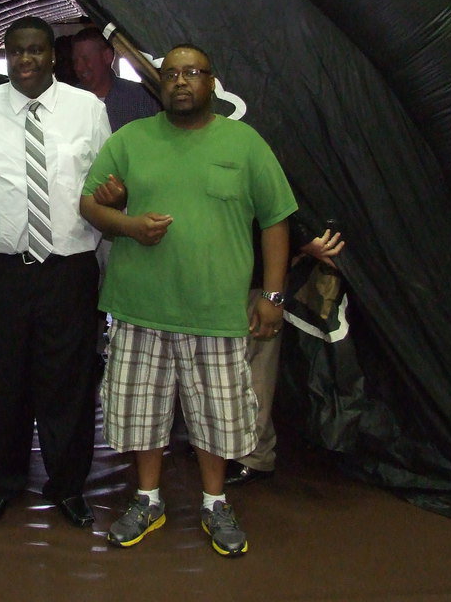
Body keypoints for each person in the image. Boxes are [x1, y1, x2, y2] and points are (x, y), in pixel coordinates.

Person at [79, 43, 296, 557]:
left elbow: (276, 218)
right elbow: (89, 203)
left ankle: (214, 503)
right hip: (140, 309)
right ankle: (148, 499)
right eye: (171, 73)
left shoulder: (244, 143)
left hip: (216, 313)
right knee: (140, 415)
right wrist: (128, 225)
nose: (180, 81)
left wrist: (272, 294)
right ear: (160, 83)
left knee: (218, 419)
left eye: (192, 72)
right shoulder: (131, 140)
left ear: (211, 82)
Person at [0, 16, 110, 529]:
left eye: (35, 50)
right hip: (0, 272)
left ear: (52, 55)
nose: (25, 60)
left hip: (69, 269)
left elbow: (105, 180)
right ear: (4, 54)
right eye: (15, 51)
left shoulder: (88, 110)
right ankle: (0, 483)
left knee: (70, 385)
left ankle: (68, 487)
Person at [226, 226, 344, 487]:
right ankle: (229, 446)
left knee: (253, 366)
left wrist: (273, 293)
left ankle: (254, 455)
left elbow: (274, 216)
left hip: (255, 276)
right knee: (228, 365)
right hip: (227, 271)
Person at [70, 27, 160, 132]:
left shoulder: (141, 98)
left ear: (107, 56)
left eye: (85, 59)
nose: (78, 67)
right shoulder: (69, 101)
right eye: (75, 61)